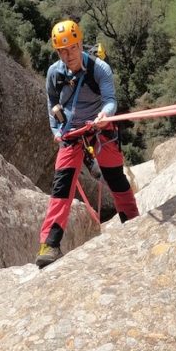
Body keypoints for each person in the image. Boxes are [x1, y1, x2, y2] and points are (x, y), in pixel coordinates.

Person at [36, 19, 140, 268]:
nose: (67, 55)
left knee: (115, 178)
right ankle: (49, 244)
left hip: (99, 129)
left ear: (80, 43)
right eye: (62, 50)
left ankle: (134, 222)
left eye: (72, 48)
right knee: (61, 186)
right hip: (71, 133)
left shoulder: (99, 68)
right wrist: (56, 130)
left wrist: (104, 116)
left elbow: (110, 99)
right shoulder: (55, 73)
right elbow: (52, 105)